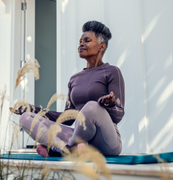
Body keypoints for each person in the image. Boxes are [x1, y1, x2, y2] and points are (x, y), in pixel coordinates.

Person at [10, 21, 125, 157]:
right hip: (80, 138)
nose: (81, 44)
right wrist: (33, 109)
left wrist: (108, 105)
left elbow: (118, 115)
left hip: (106, 141)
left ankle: (66, 148)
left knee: (92, 106)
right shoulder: (75, 79)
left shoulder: (112, 71)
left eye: (87, 41)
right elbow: (68, 117)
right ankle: (64, 148)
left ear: (101, 46)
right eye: (80, 41)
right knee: (26, 118)